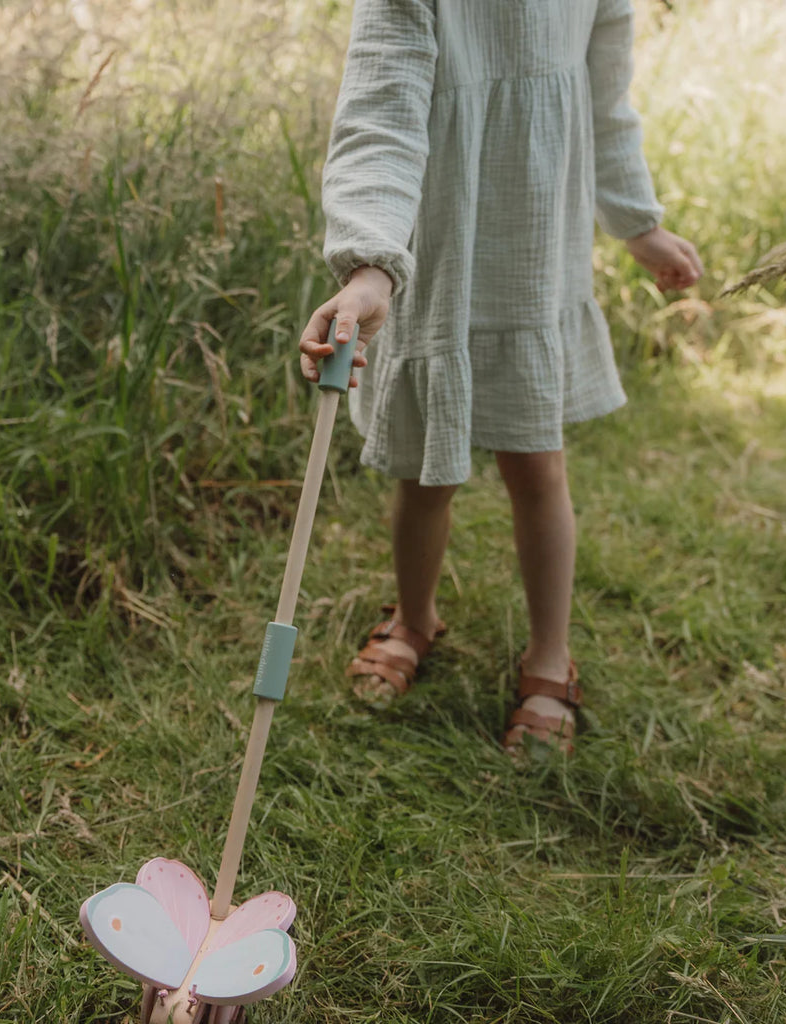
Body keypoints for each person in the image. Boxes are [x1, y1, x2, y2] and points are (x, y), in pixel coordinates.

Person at [298, 0, 702, 753]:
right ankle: (414, 618)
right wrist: (370, 265)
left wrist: (637, 224)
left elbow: (607, 102)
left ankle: (549, 654)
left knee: (537, 465)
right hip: (437, 249)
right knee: (425, 470)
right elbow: (381, 117)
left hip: (533, 247)